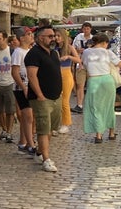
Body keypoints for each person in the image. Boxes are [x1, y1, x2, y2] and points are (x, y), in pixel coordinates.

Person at [24, 25, 61, 173]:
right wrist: (39, 95)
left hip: (55, 97)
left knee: (51, 129)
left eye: (54, 36)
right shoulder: (33, 54)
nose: (54, 38)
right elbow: (32, 76)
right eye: (50, 36)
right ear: (40, 38)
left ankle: (40, 152)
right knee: (43, 129)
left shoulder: (53, 53)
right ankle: (46, 159)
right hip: (41, 98)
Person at [82, 33, 121, 143]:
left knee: (96, 108)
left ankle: (99, 135)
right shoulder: (107, 52)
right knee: (109, 107)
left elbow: (84, 65)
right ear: (104, 43)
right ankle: (111, 133)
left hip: (93, 81)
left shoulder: (86, 52)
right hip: (107, 81)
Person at [11, 27, 36, 156]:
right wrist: (23, 87)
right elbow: (14, 72)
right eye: (28, 34)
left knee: (28, 117)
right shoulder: (18, 52)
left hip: (30, 86)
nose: (31, 36)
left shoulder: (30, 51)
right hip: (21, 88)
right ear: (22, 38)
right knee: (28, 117)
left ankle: (23, 141)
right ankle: (30, 144)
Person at [55, 29, 81, 134]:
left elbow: (78, 60)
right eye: (55, 36)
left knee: (65, 101)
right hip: (56, 75)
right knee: (57, 101)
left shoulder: (69, 48)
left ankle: (66, 123)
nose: (56, 38)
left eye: (58, 35)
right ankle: (58, 122)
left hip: (66, 74)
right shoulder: (54, 48)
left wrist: (68, 56)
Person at [71, 22, 93, 114]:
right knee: (80, 85)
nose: (86, 30)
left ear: (90, 29)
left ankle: (91, 105)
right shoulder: (78, 37)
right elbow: (72, 49)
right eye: (84, 29)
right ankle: (79, 105)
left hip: (91, 64)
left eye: (88, 29)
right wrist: (77, 50)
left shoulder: (93, 38)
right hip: (80, 64)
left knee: (91, 85)